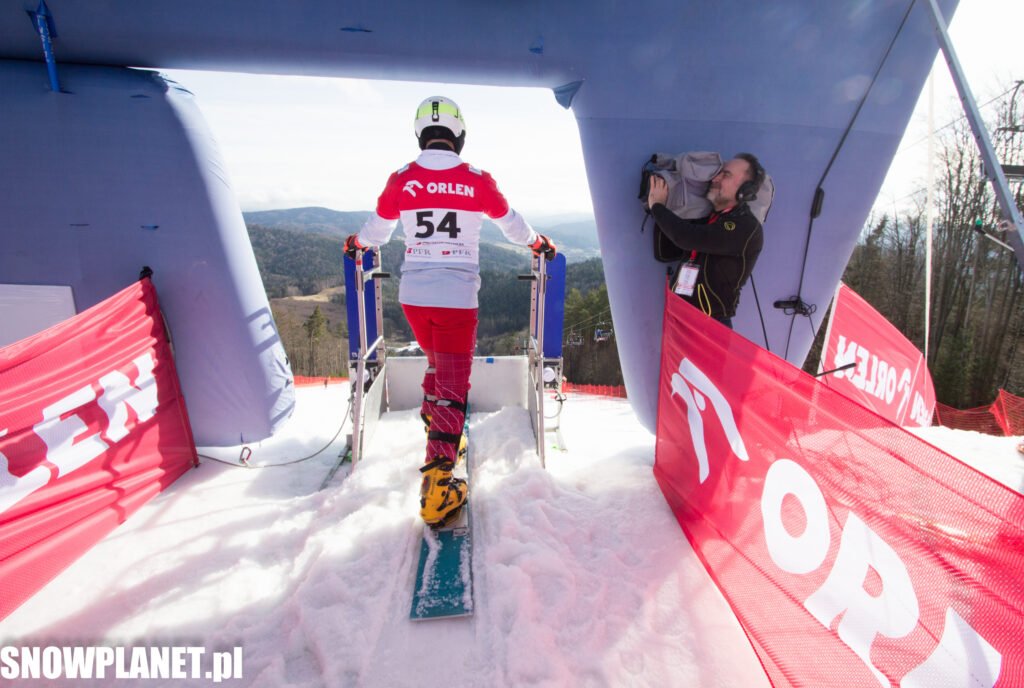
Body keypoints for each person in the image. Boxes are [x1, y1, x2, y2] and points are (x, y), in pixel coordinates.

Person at [344, 96, 556, 528]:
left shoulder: (402, 178)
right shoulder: (476, 180)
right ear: (459, 135)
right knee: (453, 387)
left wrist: (355, 245)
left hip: (414, 297)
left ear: (419, 134)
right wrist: (540, 244)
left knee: (438, 366)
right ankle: (438, 486)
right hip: (457, 299)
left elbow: (374, 233)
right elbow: (514, 226)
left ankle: (437, 426)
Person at [647, 153, 765, 328]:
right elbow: (673, 247)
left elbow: (687, 238)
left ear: (745, 191)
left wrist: (657, 207)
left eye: (725, 175)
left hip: (710, 326)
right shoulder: (712, 218)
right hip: (681, 318)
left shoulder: (746, 227)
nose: (715, 178)